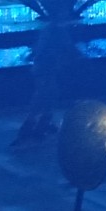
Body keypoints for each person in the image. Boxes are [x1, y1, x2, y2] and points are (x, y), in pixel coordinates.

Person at [13, 18, 76, 146]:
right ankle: (37, 124)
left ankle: (41, 123)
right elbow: (65, 48)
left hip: (43, 68)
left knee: (47, 94)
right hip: (46, 68)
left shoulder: (49, 30)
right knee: (45, 95)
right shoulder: (57, 31)